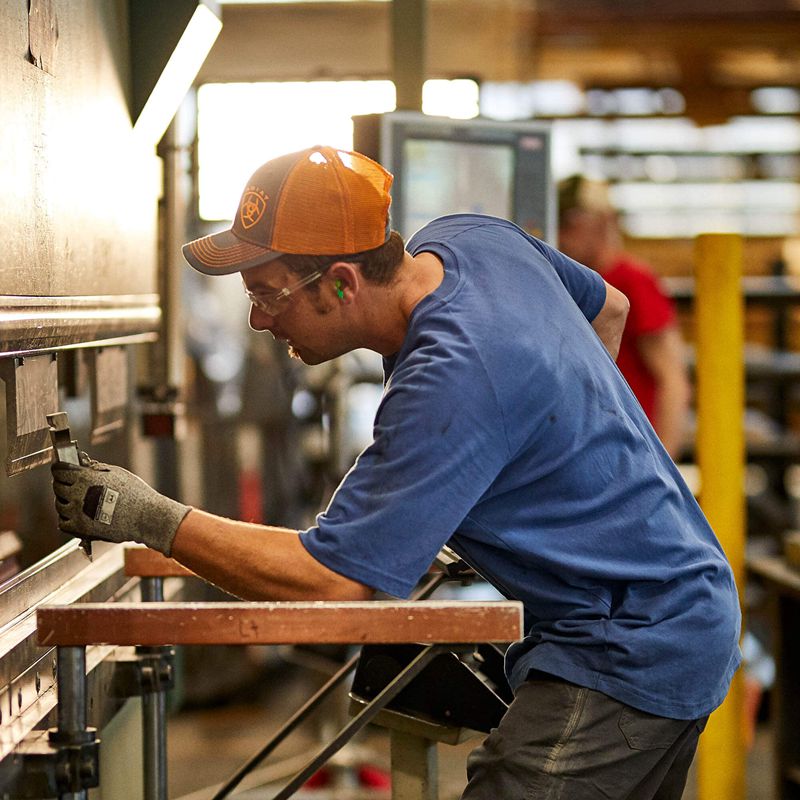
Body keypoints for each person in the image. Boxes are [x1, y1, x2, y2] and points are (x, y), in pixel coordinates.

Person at [52, 145, 741, 800]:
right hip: (680, 604)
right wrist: (519, 482)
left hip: (628, 642)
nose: (260, 322)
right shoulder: (472, 238)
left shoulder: (451, 378)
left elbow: (330, 582)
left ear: (343, 283)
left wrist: (146, 517)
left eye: (268, 295)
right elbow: (606, 310)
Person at [557, 175, 691, 460]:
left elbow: (672, 379)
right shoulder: (568, 281)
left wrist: (662, 463)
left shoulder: (632, 281)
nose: (561, 235)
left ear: (601, 221)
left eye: (570, 223)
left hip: (632, 449)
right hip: (589, 448)